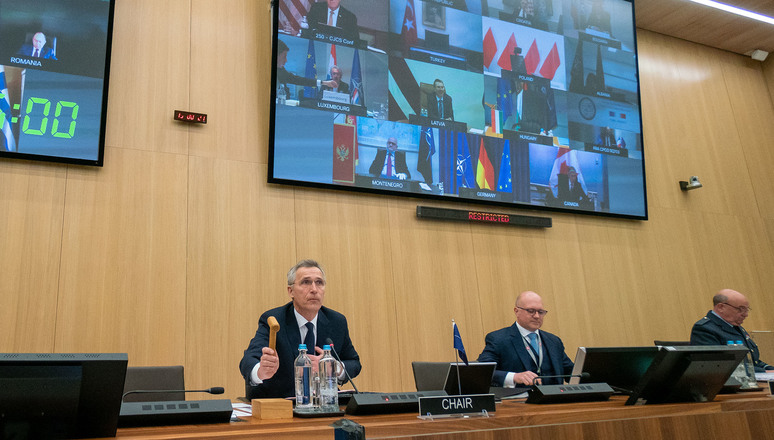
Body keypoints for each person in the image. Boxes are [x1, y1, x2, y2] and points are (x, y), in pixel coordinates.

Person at [239, 259, 361, 399]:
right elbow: (248, 360)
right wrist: (261, 371)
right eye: (306, 282)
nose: (314, 289)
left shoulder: (336, 321)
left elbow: (354, 363)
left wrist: (334, 368)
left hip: (324, 406)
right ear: (291, 291)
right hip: (282, 406)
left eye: (319, 282)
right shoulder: (274, 320)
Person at [477, 291, 573, 387]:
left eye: (540, 312)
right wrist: (514, 377)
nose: (536, 316)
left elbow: (572, 373)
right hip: (518, 399)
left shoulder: (554, 341)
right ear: (516, 311)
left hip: (555, 399)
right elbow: (482, 371)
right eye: (531, 311)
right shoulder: (498, 339)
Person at [690, 289, 773, 373]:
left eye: (746, 309)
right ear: (721, 307)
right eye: (740, 309)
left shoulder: (735, 326)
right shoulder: (705, 329)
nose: (745, 314)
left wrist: (769, 368)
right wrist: (763, 372)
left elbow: (752, 361)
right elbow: (717, 366)